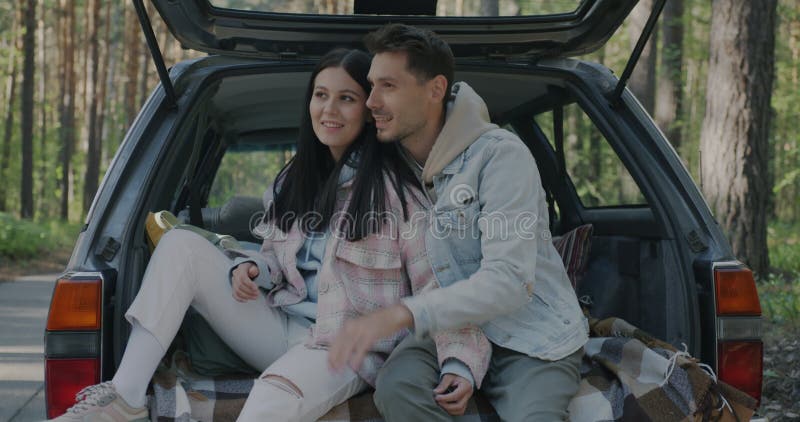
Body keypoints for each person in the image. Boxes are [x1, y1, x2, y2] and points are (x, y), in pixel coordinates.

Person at [50, 48, 490, 422]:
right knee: (182, 245)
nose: (329, 110)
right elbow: (276, 259)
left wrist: (461, 362)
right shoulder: (293, 181)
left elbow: (441, 285)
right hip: (281, 326)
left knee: (268, 401)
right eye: (321, 95)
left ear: (369, 108)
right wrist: (251, 267)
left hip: (347, 347)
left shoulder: (399, 192)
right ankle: (124, 398)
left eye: (347, 98)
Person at [327, 24, 589, 421]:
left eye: (388, 87)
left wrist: (402, 314)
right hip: (450, 331)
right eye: (371, 86)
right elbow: (314, 182)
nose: (371, 101)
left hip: (533, 334)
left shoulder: (500, 157)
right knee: (397, 388)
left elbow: (508, 282)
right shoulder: (388, 164)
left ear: (434, 90)